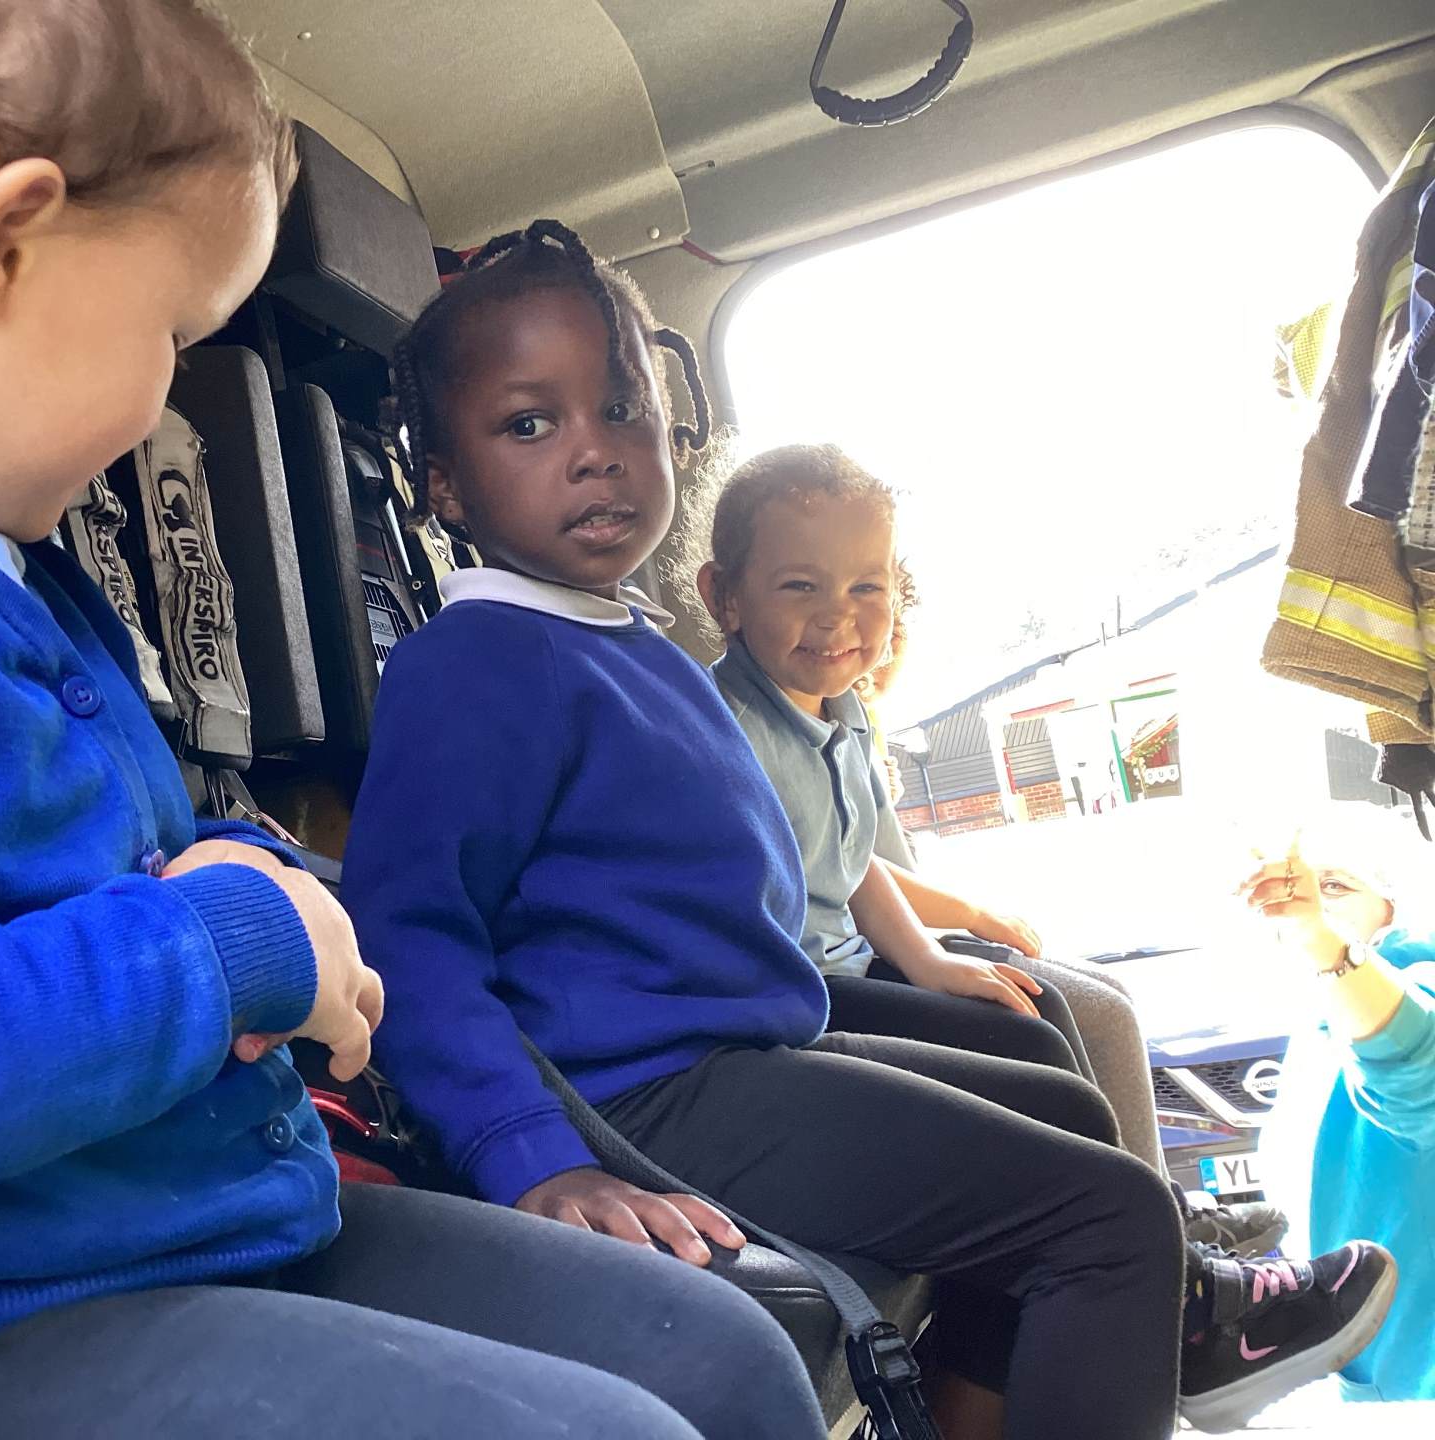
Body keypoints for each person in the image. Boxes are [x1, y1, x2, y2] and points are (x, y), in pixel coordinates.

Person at [0, 7, 834, 1438]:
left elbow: (110, 866)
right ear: (9, 242)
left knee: (727, 1357)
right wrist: (227, 947)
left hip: (211, 1228)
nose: (162, 404)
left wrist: (259, 878)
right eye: (171, 335)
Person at [342, 218, 1396, 1439]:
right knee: (1109, 1222)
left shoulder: (628, 643)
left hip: (731, 1047)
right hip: (639, 1099)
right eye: (530, 425)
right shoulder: (471, 666)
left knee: (1061, 1100)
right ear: (444, 485)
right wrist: (532, 1154)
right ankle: (1159, 1317)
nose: (595, 454)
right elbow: (407, 942)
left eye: (623, 410)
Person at [685, 441, 1285, 1256]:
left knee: (1036, 1007)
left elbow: (850, 862)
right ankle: (1143, 1247)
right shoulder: (726, 730)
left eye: (867, 587)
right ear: (724, 597)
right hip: (801, 994)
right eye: (801, 586)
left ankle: (1161, 1231)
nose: (836, 616)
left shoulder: (839, 711)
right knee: (1027, 1044)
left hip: (850, 961)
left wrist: (931, 958)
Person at [1240, 821, 1432, 1402]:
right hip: (1366, 1366)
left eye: (1337, 887)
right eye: (1295, 886)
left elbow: (1415, 1066)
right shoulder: (1320, 1009)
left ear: (1394, 904)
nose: (1307, 900)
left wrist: (1319, 938)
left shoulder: (1414, 976)